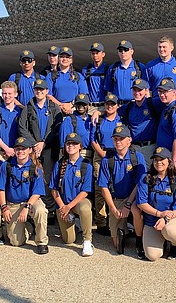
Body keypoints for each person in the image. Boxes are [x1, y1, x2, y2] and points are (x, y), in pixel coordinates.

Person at [97, 126, 147, 256]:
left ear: (129, 141)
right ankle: (126, 229)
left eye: (121, 139)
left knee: (136, 211)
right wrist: (112, 208)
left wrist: (128, 204)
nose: (118, 142)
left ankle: (139, 241)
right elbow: (103, 187)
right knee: (117, 244)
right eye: (115, 139)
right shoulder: (107, 159)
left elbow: (139, 184)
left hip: (134, 197)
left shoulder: (137, 157)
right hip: (116, 199)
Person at [0, 136, 48, 252]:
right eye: (18, 149)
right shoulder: (7, 165)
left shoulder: (36, 167)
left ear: (30, 150)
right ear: (14, 150)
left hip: (30, 202)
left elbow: (37, 192)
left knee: (41, 211)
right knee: (16, 242)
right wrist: (4, 208)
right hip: (13, 203)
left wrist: (27, 207)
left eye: (24, 149)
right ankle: (29, 227)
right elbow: (1, 189)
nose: (20, 151)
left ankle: (41, 242)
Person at [18, 78, 63, 212]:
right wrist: (34, 144)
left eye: (42, 89)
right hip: (32, 150)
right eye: (37, 89)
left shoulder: (54, 107)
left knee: (47, 178)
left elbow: (57, 127)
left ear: (47, 91)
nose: (39, 92)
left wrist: (43, 143)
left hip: (49, 149)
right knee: (33, 176)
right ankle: (33, 209)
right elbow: (22, 127)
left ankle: (49, 210)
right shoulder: (29, 107)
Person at [136, 147, 176, 261]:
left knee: (169, 231)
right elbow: (141, 203)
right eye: (155, 159)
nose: (158, 162)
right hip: (152, 221)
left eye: (162, 159)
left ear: (169, 161)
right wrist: (160, 214)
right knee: (152, 256)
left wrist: (165, 219)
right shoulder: (146, 178)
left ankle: (175, 246)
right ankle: (162, 242)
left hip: (171, 219)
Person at [50, 133, 94, 256]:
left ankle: (87, 240)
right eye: (68, 143)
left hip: (78, 202)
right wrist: (63, 207)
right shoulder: (59, 164)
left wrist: (69, 207)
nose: (71, 146)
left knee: (85, 208)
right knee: (68, 240)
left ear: (80, 146)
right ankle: (77, 225)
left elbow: (85, 191)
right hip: (63, 204)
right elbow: (54, 189)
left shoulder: (86, 165)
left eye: (74, 143)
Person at [89, 93, 123, 236]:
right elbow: (92, 139)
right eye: (107, 104)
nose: (110, 106)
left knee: (115, 187)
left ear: (117, 106)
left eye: (112, 104)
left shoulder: (121, 120)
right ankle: (101, 221)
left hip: (116, 155)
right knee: (100, 188)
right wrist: (102, 154)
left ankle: (114, 218)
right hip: (101, 154)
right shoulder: (99, 119)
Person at [118, 78, 158, 163]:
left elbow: (171, 99)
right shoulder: (129, 107)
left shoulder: (153, 104)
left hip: (149, 147)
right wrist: (99, 112)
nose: (137, 93)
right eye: (134, 90)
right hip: (134, 147)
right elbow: (113, 111)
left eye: (140, 90)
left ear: (146, 91)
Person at [45, 47, 89, 115]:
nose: (64, 59)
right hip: (57, 111)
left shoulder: (78, 76)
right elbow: (48, 95)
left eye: (67, 57)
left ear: (71, 60)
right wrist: (61, 105)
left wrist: (71, 104)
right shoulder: (50, 76)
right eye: (62, 57)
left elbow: (83, 94)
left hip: (74, 110)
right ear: (58, 59)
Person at [0, 81, 21, 160]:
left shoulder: (21, 111)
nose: (7, 96)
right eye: (4, 93)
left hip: (17, 153)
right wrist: (6, 149)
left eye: (10, 93)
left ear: (15, 94)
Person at [58, 94, 93, 159]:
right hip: (76, 154)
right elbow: (63, 144)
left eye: (83, 104)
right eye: (78, 104)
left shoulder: (91, 119)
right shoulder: (69, 120)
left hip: (92, 154)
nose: (81, 106)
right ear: (75, 105)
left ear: (88, 105)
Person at [82, 42, 108, 114]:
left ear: (103, 54)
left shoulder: (108, 70)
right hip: (90, 107)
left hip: (105, 106)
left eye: (97, 53)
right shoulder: (86, 70)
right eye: (93, 53)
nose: (95, 55)